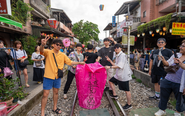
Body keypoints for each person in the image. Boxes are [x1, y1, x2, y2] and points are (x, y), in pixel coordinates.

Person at [40, 36, 85, 116]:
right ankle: (42, 113)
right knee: (45, 94)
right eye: (57, 44)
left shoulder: (62, 54)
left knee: (56, 92)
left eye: (60, 45)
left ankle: (55, 107)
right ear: (53, 45)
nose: (59, 46)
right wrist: (42, 44)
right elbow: (41, 50)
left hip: (57, 76)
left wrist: (79, 63)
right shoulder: (48, 52)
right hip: (48, 76)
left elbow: (70, 62)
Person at [154, 40, 185, 116]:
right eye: (181, 45)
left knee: (180, 99)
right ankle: (162, 110)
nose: (180, 47)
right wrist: (163, 60)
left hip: (180, 82)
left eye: (183, 46)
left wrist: (180, 64)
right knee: (163, 96)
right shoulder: (176, 54)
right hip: (168, 79)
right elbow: (167, 64)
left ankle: (178, 112)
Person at [105, 43, 132, 110]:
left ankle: (129, 104)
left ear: (121, 48)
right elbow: (116, 65)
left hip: (124, 76)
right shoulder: (118, 55)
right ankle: (115, 94)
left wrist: (109, 67)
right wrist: (110, 61)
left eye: (117, 47)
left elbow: (119, 66)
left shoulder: (122, 55)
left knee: (127, 91)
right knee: (110, 81)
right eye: (115, 48)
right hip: (118, 75)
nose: (116, 48)